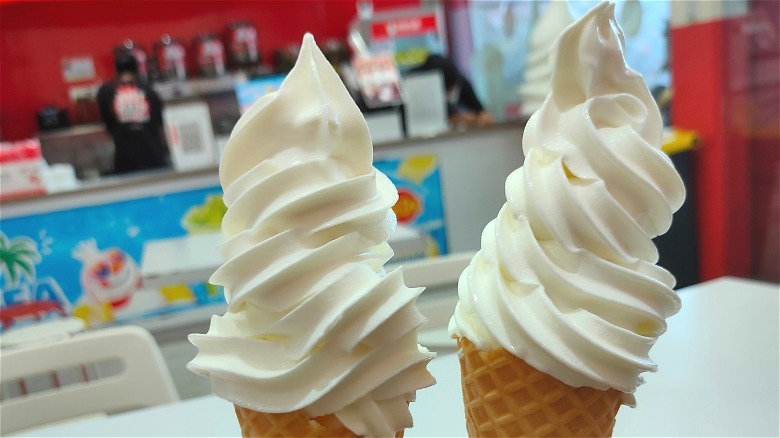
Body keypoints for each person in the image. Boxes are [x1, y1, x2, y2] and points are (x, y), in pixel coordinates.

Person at [97, 53, 169, 174]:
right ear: (137, 69)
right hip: (153, 157)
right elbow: (159, 122)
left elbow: (108, 125)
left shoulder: (106, 92)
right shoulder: (149, 90)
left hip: (125, 159)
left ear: (116, 70)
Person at [409, 54, 494, 129]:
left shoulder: (458, 81)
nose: (452, 92)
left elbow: (481, 111)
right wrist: (459, 119)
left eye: (453, 88)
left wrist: (482, 116)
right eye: (448, 90)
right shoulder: (415, 87)